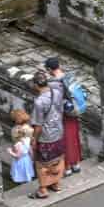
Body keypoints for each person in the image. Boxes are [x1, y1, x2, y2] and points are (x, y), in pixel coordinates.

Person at [30, 67, 67, 198]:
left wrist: (34, 139)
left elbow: (38, 125)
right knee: (57, 159)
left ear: (35, 85)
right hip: (58, 131)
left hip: (46, 136)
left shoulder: (39, 102)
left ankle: (43, 189)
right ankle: (56, 183)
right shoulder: (56, 92)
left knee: (42, 164)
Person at [6, 109, 35, 189]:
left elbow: (17, 155)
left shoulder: (16, 134)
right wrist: (32, 157)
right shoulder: (28, 130)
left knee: (20, 172)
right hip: (27, 157)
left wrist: (10, 152)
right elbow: (30, 148)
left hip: (20, 158)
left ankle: (21, 183)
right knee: (27, 171)